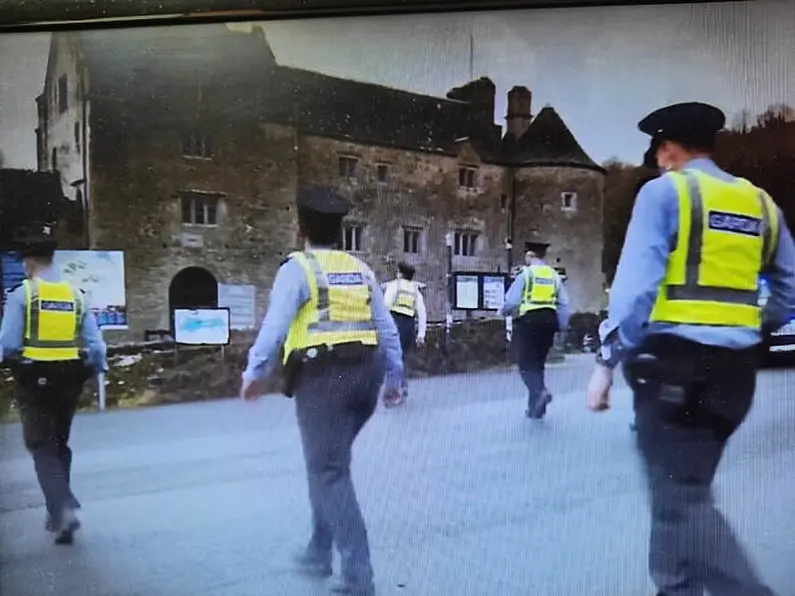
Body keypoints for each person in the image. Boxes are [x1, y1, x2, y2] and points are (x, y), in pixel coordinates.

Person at [586, 101, 795, 596]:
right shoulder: (760, 204)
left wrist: (606, 362)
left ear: (669, 148)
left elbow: (636, 288)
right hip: (735, 376)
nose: (657, 162)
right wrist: (749, 330)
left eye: (658, 152)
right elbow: (788, 289)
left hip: (675, 367)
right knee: (674, 493)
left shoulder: (667, 193)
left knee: (682, 497)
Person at [239, 186, 403, 596]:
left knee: (329, 470)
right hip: (367, 373)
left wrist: (255, 370)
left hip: (325, 375)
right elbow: (386, 328)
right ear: (341, 229)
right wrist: (397, 377)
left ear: (302, 228)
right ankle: (318, 549)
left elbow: (275, 325)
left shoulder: (299, 268)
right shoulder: (361, 269)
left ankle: (357, 573)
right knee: (328, 465)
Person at [0, 237, 108, 545]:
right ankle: (58, 515)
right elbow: (96, 345)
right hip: (70, 378)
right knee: (59, 444)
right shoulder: (76, 295)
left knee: (41, 445)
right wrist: (97, 369)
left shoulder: (24, 294)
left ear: (28, 263)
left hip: (34, 379)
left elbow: (7, 344)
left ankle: (62, 510)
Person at [500, 241, 570, 419]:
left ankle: (540, 392)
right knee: (538, 364)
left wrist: (503, 311)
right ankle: (536, 409)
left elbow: (513, 301)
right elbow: (564, 303)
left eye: (526, 256)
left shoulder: (527, 273)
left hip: (530, 321)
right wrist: (562, 327)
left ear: (530, 255)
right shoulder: (554, 275)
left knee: (524, 364)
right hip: (549, 321)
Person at [381, 262, 427, 407]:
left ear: (400, 273)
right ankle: (402, 385)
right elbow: (422, 312)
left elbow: (386, 305)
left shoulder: (395, 286)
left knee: (392, 358)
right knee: (401, 357)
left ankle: (394, 392)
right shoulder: (415, 290)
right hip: (409, 326)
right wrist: (421, 334)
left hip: (395, 323)